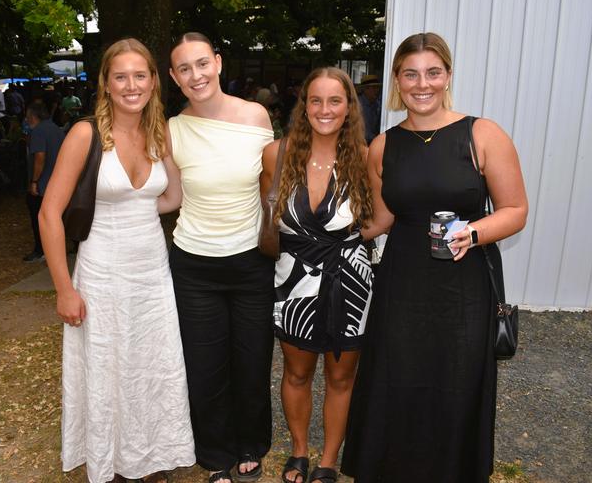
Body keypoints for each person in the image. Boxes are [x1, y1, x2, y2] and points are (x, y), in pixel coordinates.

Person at [340, 32, 528, 483]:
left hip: (464, 283)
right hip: (402, 281)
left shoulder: (482, 133)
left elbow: (516, 210)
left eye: (432, 73)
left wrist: (474, 231)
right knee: (397, 375)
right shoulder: (383, 145)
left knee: (457, 381)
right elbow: (381, 218)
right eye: (410, 74)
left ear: (447, 77)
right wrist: (324, 231)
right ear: (397, 81)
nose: (421, 84)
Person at [38, 38, 195, 483]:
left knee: (151, 365)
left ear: (153, 81)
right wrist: (64, 289)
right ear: (106, 83)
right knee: (108, 367)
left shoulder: (159, 130)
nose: (131, 85)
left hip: (151, 273)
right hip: (100, 273)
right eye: (120, 76)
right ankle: (112, 460)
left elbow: (173, 197)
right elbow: (50, 213)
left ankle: (147, 457)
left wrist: (137, 212)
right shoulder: (85, 134)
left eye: (139, 75)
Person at [167, 31, 275, 483]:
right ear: (174, 77)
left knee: (252, 360)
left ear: (218, 62)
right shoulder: (172, 129)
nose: (196, 75)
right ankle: (214, 457)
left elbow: (274, 184)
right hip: (194, 265)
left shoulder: (255, 116)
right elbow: (170, 196)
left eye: (202, 63)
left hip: (251, 262)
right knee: (205, 366)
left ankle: (251, 444)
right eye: (185, 69)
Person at [262, 67, 373, 483]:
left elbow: (382, 217)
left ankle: (328, 460)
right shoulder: (277, 154)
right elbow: (267, 216)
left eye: (335, 101)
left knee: (341, 376)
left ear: (349, 108)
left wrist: (348, 243)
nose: (324, 110)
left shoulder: (364, 158)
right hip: (293, 280)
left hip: (349, 279)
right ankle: (299, 451)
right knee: (296, 371)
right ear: (303, 105)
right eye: (315, 100)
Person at [22, 101, 64, 262]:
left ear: (33, 116)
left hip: (44, 183)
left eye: (27, 117)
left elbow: (40, 157)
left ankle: (41, 250)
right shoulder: (55, 128)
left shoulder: (38, 131)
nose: (26, 120)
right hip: (58, 181)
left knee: (38, 217)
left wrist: (34, 181)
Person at [357, 74, 382, 144]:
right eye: (374, 87)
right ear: (365, 89)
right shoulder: (359, 105)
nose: (377, 90)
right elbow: (365, 132)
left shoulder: (376, 104)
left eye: (377, 88)